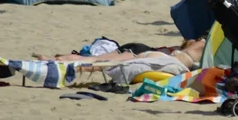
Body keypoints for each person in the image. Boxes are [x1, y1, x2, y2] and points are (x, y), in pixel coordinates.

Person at [38, 38, 205, 69]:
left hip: (140, 47)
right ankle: (56, 62)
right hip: (141, 52)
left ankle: (53, 59)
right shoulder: (204, 47)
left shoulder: (189, 44)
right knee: (98, 63)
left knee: (93, 59)